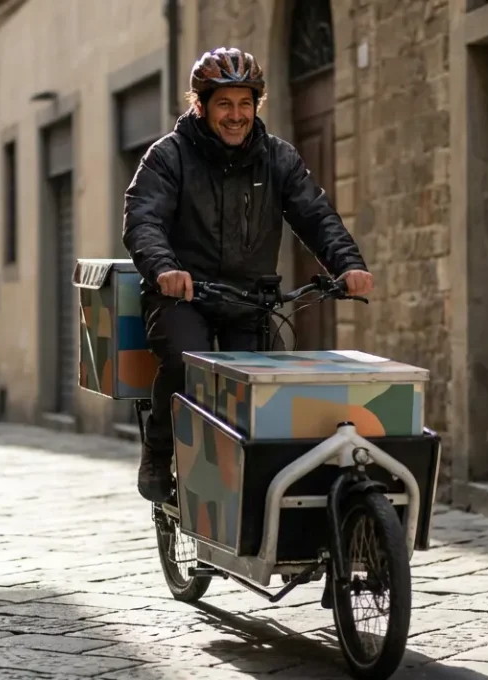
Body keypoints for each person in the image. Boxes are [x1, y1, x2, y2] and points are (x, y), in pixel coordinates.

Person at [122, 47, 374, 503]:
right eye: (224, 104)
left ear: (255, 105)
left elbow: (316, 216)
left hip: (251, 299)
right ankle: (158, 452)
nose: (236, 116)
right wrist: (164, 269)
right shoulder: (169, 156)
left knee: (268, 391)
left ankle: (261, 490)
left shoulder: (278, 157)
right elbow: (143, 219)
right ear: (199, 105)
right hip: (184, 296)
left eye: (245, 104)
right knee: (183, 364)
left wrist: (348, 264)